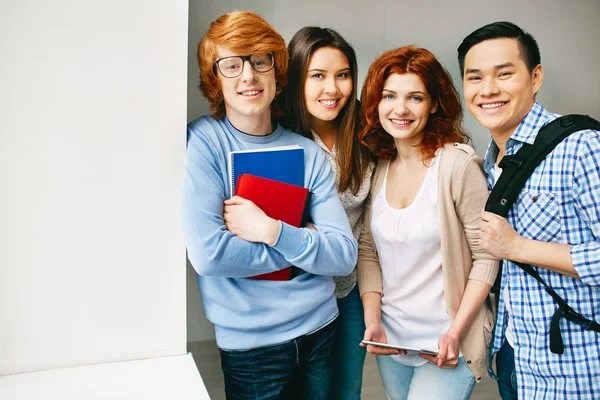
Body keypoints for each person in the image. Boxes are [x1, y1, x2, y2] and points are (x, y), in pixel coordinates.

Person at [182, 11, 358, 400]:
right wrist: (305, 245)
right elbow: (211, 256)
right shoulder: (204, 143)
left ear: (277, 73)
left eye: (260, 61)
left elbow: (343, 256)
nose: (248, 76)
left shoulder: (309, 154)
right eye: (231, 65)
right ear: (215, 80)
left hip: (321, 329)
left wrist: (271, 230)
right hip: (251, 349)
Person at [458, 21, 600, 399]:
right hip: (515, 359)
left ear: (535, 77)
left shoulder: (582, 148)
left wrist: (518, 247)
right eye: (475, 78)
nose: (488, 90)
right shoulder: (486, 164)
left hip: (579, 368)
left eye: (504, 74)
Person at [357, 46, 499, 400]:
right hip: (393, 339)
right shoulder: (381, 167)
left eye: (415, 97)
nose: (400, 109)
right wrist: (373, 321)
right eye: (389, 95)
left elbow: (487, 255)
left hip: (447, 340)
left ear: (434, 104)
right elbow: (369, 251)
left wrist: (456, 332)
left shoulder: (457, 165)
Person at [280, 27, 375, 400]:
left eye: (343, 75)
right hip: (299, 288)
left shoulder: (366, 140)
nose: (332, 89)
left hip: (350, 287)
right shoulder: (282, 139)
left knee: (348, 389)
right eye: (317, 76)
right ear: (295, 79)